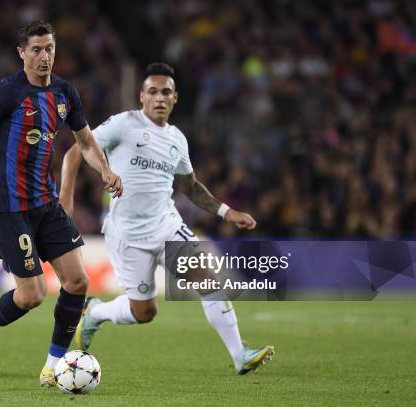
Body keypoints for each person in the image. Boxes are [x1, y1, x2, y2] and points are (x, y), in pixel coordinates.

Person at [0, 21, 122, 386]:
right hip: (6, 208)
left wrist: (104, 171)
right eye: (36, 50)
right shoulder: (8, 93)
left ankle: (54, 367)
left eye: (49, 49)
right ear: (22, 53)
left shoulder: (65, 94)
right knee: (32, 295)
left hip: (45, 202)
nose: (44, 57)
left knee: (77, 280)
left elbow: (87, 142)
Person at [60, 62, 274, 375]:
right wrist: (66, 196)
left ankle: (240, 354)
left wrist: (228, 212)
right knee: (144, 312)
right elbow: (75, 151)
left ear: (175, 99)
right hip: (126, 236)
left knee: (208, 281)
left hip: (167, 228)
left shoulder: (177, 140)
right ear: (142, 96)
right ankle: (95, 313)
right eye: (153, 91)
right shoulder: (123, 124)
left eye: (166, 92)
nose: (160, 97)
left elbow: (190, 187)